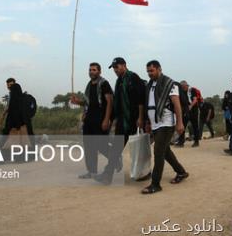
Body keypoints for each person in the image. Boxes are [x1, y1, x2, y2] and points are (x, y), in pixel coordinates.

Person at [94, 57, 146, 185]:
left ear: (124, 65)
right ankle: (108, 175)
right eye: (114, 68)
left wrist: (140, 118)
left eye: (117, 67)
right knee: (116, 149)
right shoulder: (119, 81)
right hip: (123, 122)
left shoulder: (133, 78)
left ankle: (145, 173)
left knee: (139, 149)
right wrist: (113, 119)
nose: (115, 70)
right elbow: (117, 101)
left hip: (134, 120)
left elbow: (141, 99)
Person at [140, 60, 188, 194]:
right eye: (148, 71)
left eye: (152, 70)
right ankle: (181, 172)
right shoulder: (150, 85)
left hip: (166, 123)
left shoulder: (169, 84)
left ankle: (155, 184)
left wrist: (180, 122)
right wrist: (148, 123)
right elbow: (149, 104)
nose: (150, 73)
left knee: (158, 152)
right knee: (165, 151)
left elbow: (177, 105)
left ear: (159, 69)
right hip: (155, 123)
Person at [71, 63, 113, 179]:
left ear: (99, 71)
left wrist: (106, 119)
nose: (91, 72)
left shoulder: (104, 83)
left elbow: (109, 101)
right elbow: (87, 103)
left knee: (101, 144)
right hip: (89, 119)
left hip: (100, 118)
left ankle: (115, 159)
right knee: (89, 146)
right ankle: (92, 171)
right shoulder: (89, 85)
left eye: (94, 70)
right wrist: (77, 102)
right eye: (90, 70)